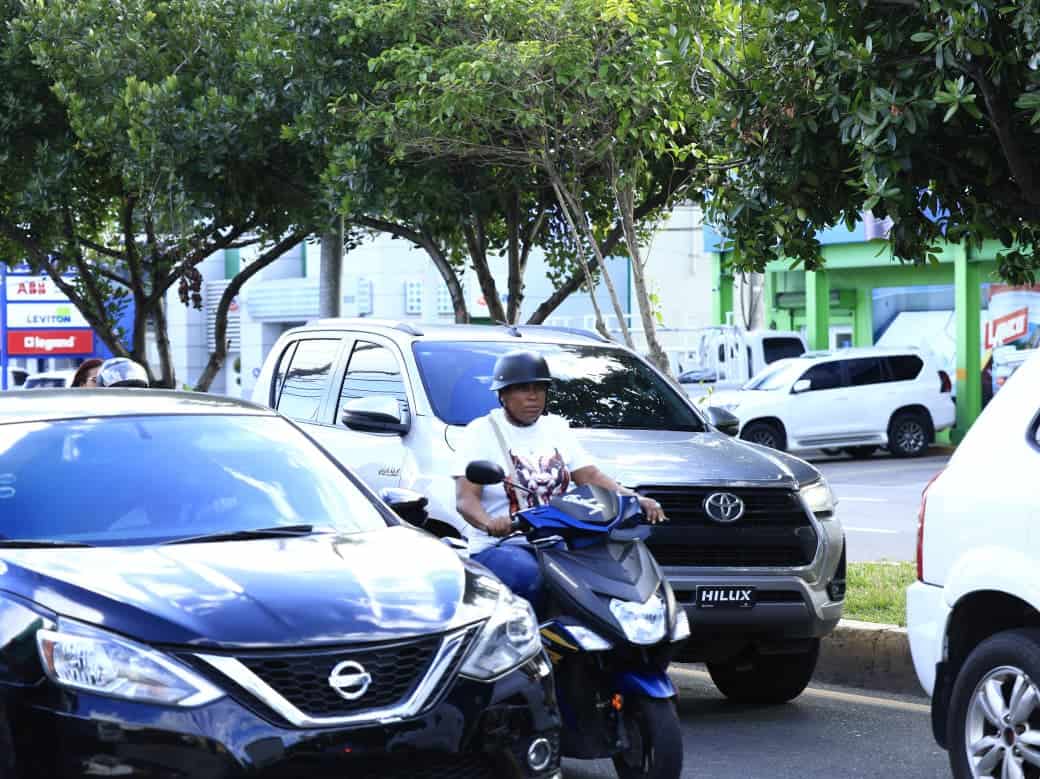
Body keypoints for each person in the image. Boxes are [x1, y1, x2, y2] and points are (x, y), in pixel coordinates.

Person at [454, 350, 665, 613]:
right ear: (503, 394)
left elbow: (590, 476)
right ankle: (531, 647)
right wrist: (490, 523)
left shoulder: (556, 427)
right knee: (530, 577)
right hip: (505, 544)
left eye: (539, 388)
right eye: (522, 389)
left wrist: (635, 498)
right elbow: (466, 498)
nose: (533, 396)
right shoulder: (481, 431)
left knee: (615, 574)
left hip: (562, 539)